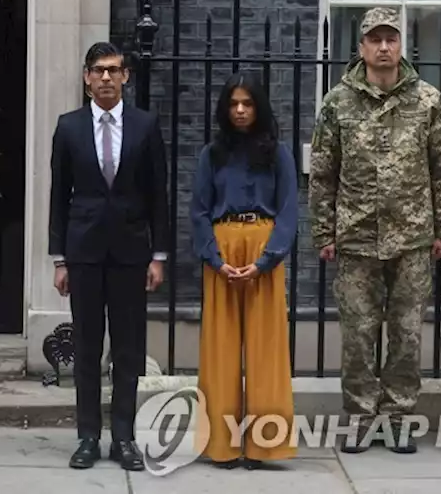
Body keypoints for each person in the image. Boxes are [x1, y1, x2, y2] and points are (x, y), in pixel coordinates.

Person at [308, 6, 441, 454]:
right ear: (362, 47)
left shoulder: (427, 100)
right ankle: (359, 417)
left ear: (401, 44)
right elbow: (322, 173)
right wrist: (324, 232)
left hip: (412, 239)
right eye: (375, 39)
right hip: (355, 238)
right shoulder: (338, 102)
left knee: (407, 334)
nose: (384, 46)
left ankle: (396, 417)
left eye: (391, 38)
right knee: (357, 334)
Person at [48, 41, 167, 472]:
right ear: (85, 77)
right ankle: (87, 435)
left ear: (126, 77)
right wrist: (59, 259)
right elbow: (58, 196)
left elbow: (159, 196)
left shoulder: (145, 126)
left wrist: (158, 256)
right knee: (86, 346)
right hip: (83, 252)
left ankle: (123, 436)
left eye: (113, 70)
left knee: (129, 348)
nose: (105, 78)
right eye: (98, 70)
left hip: (132, 253)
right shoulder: (69, 127)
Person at [190, 74, 298, 467]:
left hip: (262, 248)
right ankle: (221, 444)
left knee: (265, 348)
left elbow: (288, 210)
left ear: (259, 107)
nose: (239, 110)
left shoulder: (278, 153)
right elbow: (199, 210)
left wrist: (267, 259)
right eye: (233, 103)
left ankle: (263, 444)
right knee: (219, 348)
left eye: (247, 104)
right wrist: (215, 260)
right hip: (222, 249)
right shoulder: (212, 154)